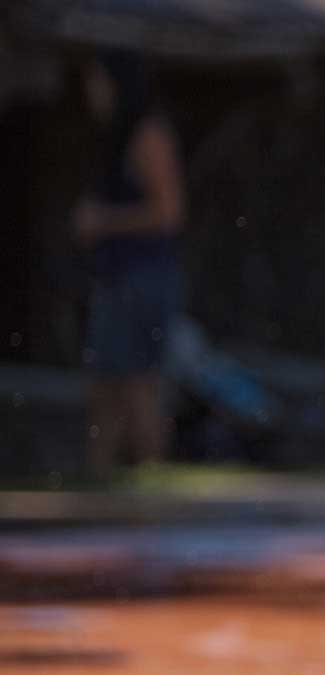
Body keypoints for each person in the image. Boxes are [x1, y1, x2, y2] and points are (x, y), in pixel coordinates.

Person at [72, 50, 186, 477]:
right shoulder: (116, 137)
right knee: (105, 385)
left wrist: (104, 220)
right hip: (117, 275)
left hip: (143, 277)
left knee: (138, 383)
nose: (92, 93)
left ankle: (154, 471)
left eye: (97, 81)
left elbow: (169, 212)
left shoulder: (147, 135)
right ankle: (99, 475)